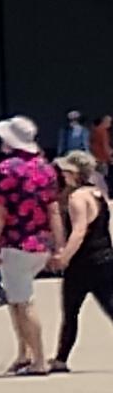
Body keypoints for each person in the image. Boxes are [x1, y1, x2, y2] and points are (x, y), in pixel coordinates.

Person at [0, 116, 60, 376]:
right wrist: (58, 244)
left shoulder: (5, 170)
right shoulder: (46, 169)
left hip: (15, 242)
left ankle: (38, 358)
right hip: (40, 243)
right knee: (16, 299)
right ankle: (24, 353)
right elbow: (53, 210)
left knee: (23, 302)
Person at [49, 150, 113, 373]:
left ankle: (61, 359)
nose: (63, 174)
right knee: (110, 305)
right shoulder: (98, 194)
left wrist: (64, 257)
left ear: (75, 173)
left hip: (83, 263)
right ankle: (60, 358)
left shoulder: (77, 198)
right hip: (105, 258)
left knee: (71, 311)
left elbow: (79, 231)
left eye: (66, 171)